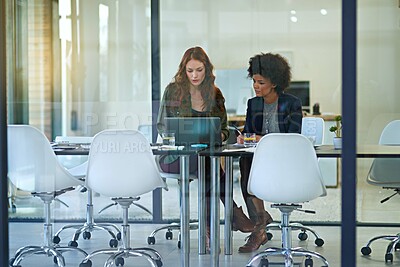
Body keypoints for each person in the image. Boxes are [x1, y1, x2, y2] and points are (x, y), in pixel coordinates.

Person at [157, 46, 254, 251]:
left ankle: (212, 231)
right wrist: (176, 137)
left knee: (208, 166)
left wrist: (220, 135)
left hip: (205, 156)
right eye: (190, 70)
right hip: (175, 157)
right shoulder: (173, 91)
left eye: (199, 70)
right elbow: (162, 126)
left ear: (207, 69)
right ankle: (230, 215)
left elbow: (226, 129)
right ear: (183, 70)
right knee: (209, 166)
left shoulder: (215, 94)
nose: (194, 75)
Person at [236, 52, 303, 253]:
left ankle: (259, 226)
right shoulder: (253, 103)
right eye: (254, 81)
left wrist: (261, 139)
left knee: (250, 167)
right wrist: (244, 138)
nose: (256, 86)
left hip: (285, 160)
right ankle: (260, 221)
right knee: (245, 163)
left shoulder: (292, 103)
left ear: (274, 83)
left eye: (261, 82)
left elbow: (293, 136)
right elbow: (249, 132)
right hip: (260, 159)